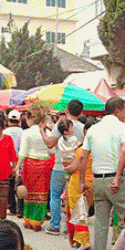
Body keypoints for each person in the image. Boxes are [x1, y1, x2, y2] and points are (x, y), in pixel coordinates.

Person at [80, 97, 125, 250]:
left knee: (101, 225)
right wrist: (118, 177)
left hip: (98, 180)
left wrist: (82, 181)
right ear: (118, 110)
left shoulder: (93, 129)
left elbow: (83, 156)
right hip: (116, 180)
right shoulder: (123, 128)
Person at [40, 100, 85, 236]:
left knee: (55, 196)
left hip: (60, 166)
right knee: (72, 198)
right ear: (81, 112)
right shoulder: (83, 127)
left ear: (67, 111)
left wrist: (42, 130)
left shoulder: (61, 124)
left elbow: (49, 143)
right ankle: (69, 227)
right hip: (77, 167)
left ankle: (55, 226)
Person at [16, 103, 53, 231]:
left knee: (29, 193)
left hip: (30, 165)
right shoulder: (47, 131)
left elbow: (23, 152)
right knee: (41, 194)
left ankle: (28, 219)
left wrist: (17, 167)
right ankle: (37, 221)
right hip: (44, 165)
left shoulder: (27, 132)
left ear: (31, 118)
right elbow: (52, 150)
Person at [65, 120, 95, 250]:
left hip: (79, 182)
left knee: (78, 212)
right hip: (94, 182)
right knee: (85, 211)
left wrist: (66, 167)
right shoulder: (102, 149)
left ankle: (84, 242)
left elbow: (74, 167)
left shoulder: (82, 150)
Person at [3, 110, 23, 218]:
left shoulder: (5, 132)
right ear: (19, 120)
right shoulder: (23, 132)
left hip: (8, 162)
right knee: (21, 185)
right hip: (21, 162)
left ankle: (11, 208)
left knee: (9, 186)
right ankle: (21, 209)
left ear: (8, 120)